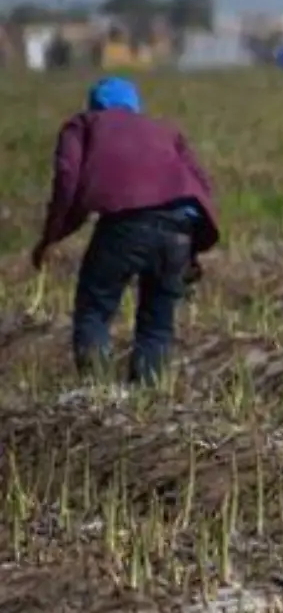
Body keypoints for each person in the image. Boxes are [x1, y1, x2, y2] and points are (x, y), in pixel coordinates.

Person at [31, 77, 220, 385]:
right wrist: (193, 250)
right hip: (179, 230)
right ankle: (147, 397)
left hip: (126, 225)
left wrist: (51, 236)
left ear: (94, 104)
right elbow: (200, 186)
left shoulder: (84, 125)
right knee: (157, 324)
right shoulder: (165, 130)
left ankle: (98, 394)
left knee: (94, 310)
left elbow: (68, 179)